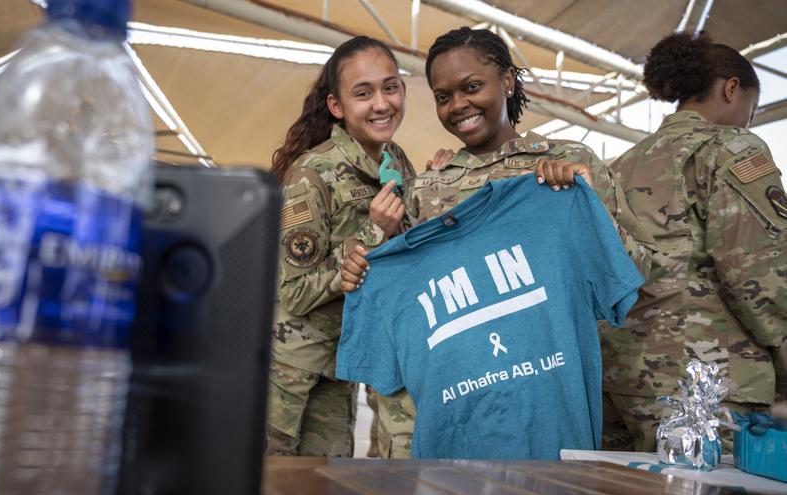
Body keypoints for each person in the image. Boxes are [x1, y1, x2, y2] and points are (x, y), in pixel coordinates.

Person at [339, 27, 656, 457]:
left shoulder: (570, 164)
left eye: (472, 87)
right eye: (443, 96)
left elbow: (636, 270)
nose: (458, 106)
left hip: (553, 409)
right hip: (463, 417)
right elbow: (406, 293)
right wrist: (364, 263)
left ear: (507, 81)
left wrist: (590, 208)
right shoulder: (425, 191)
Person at [601, 32, 786, 452]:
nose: (748, 122)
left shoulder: (620, 165)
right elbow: (758, 273)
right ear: (731, 88)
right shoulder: (732, 148)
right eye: (751, 111)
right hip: (705, 382)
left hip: (621, 378)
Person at [267, 36, 450, 458]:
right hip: (289, 364)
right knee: (265, 484)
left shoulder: (398, 161)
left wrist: (433, 185)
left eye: (390, 87)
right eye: (363, 93)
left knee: (320, 488)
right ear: (337, 106)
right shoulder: (313, 173)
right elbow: (295, 291)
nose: (382, 104)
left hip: (341, 362)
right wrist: (372, 231)